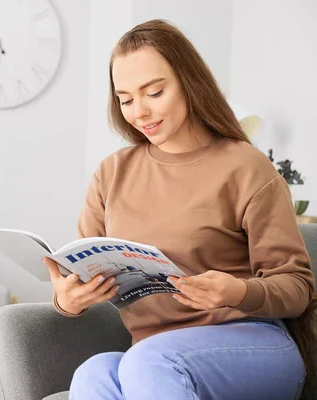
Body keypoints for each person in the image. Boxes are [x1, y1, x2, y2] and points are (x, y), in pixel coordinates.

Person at [43, 19, 316, 400]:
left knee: (146, 360)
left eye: (154, 92)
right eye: (125, 99)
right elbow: (82, 272)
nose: (139, 112)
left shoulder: (246, 166)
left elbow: (298, 287)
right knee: (93, 373)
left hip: (254, 345)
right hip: (157, 354)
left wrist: (237, 291)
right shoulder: (111, 174)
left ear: (187, 82)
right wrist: (67, 300)